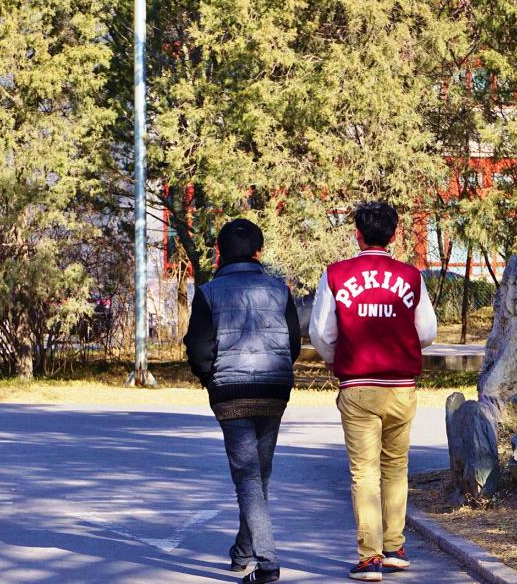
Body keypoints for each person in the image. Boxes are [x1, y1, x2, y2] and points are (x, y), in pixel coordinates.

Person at [309, 201, 437, 582]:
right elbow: (427, 331)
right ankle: (395, 546)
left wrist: (336, 359)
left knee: (363, 472)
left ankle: (370, 558)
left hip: (358, 386)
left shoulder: (335, 275)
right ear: (395, 234)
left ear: (357, 234)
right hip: (401, 386)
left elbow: (320, 332)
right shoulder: (411, 277)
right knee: (395, 466)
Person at [185, 218, 301, 584]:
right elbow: (294, 343)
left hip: (231, 393)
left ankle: (267, 562)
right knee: (257, 475)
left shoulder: (208, 292)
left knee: (249, 478)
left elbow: (199, 348)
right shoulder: (280, 291)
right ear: (259, 251)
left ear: (219, 252)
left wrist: (210, 380)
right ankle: (244, 551)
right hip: (273, 390)